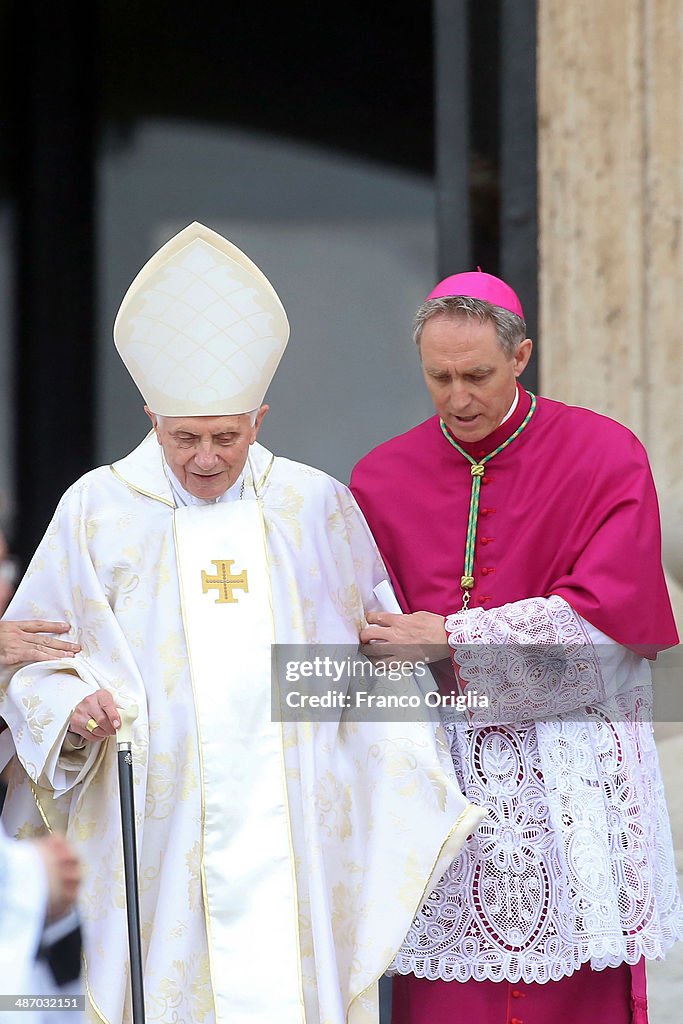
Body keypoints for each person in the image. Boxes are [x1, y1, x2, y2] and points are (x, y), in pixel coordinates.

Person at [0, 224, 483, 1024]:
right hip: (154, 822)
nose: (204, 458)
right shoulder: (95, 509)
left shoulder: (313, 505)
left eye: (226, 436)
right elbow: (32, 657)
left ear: (260, 418)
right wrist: (71, 711)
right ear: (152, 416)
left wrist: (395, 763)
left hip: (292, 819)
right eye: (183, 436)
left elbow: (372, 654)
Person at [350, 270, 683, 1024]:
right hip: (445, 794)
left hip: (568, 791)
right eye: (438, 377)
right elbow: (362, 629)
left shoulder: (604, 456)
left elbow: (608, 628)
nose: (457, 397)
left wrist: (451, 638)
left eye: (476, 375)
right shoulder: (378, 478)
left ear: (520, 356)